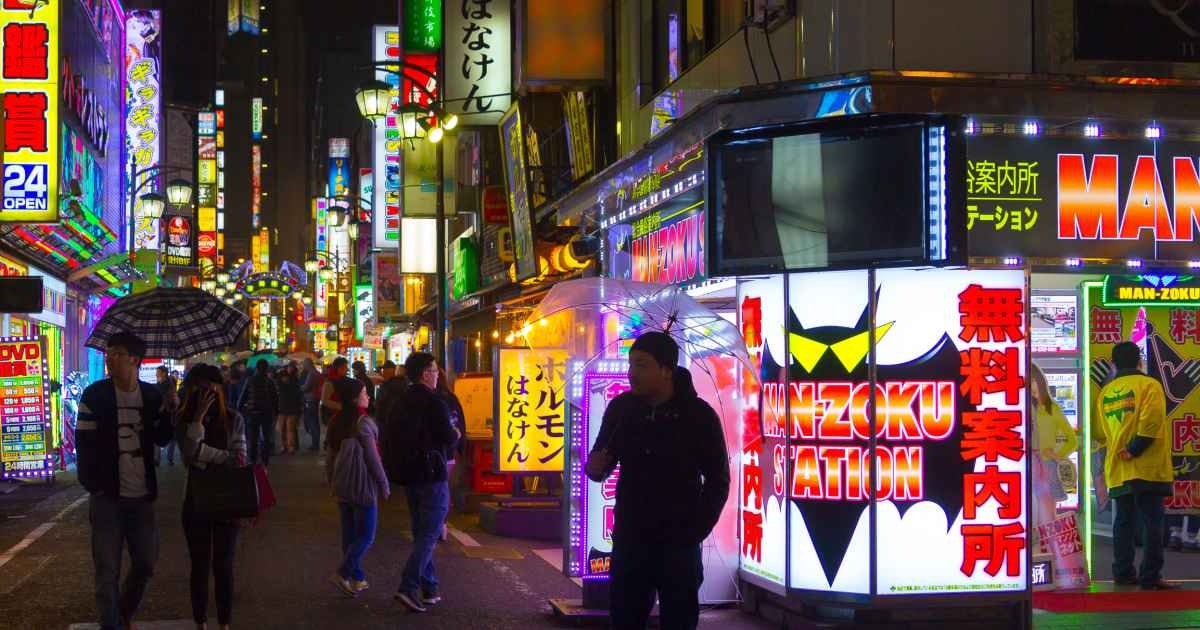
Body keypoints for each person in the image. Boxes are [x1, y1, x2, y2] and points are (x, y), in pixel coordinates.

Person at [585, 331, 730, 630]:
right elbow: (602, 462)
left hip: (679, 543)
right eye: (631, 364)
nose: (631, 373)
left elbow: (718, 481)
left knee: (679, 621)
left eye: (641, 365)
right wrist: (594, 467)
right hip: (630, 539)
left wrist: (695, 530)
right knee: (625, 620)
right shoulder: (622, 409)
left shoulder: (699, 416)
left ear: (666, 370)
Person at [76, 332, 172, 630]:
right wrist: (93, 485)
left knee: (146, 563)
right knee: (107, 571)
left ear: (134, 359)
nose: (110, 358)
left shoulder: (152, 396)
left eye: (117, 353)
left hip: (142, 497)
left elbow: (163, 438)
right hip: (107, 497)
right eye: (109, 353)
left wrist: (169, 410)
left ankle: (122, 614)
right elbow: (84, 443)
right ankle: (111, 624)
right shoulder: (95, 396)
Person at [1093, 341, 1177, 590]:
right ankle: (1150, 576)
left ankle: (1122, 573)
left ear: (1113, 364)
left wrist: (1121, 450)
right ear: (1140, 361)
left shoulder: (1106, 392)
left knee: (1123, 521)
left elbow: (1100, 432)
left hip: (1118, 468)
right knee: (1152, 522)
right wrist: (1134, 449)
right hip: (1147, 467)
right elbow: (1150, 423)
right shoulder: (1149, 385)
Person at [176, 364, 248, 630]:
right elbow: (188, 456)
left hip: (228, 501)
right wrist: (198, 420)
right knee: (199, 565)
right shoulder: (184, 419)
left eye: (209, 389)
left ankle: (224, 622)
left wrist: (203, 455)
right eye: (198, 390)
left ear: (219, 389)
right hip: (195, 502)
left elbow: (239, 459)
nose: (204, 395)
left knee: (224, 565)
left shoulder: (233, 419)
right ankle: (201, 621)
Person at [391, 352, 459, 613]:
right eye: (433, 370)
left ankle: (429, 586)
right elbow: (447, 436)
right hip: (432, 473)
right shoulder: (434, 401)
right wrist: (455, 433)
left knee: (422, 531)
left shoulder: (401, 401)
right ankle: (408, 586)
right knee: (430, 532)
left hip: (410, 474)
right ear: (424, 374)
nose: (437, 375)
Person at [325, 378, 390, 597]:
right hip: (362, 485)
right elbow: (373, 459)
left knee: (349, 535)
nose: (368, 396)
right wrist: (383, 483)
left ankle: (358, 578)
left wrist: (332, 481)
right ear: (355, 399)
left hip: (342, 484)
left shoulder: (336, 421)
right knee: (367, 535)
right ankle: (343, 573)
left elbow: (330, 456)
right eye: (364, 393)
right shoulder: (363, 423)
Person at [1030, 365, 1079, 547]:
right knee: (1031, 508)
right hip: (1026, 464)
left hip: (1046, 465)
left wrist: (1057, 455)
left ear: (1040, 381)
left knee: (1048, 512)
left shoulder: (1052, 408)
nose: (1031, 386)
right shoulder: (1023, 407)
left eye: (1033, 380)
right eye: (1027, 382)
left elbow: (1072, 440)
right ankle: (1041, 549)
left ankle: (1050, 550)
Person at [435, 367, 466, 542]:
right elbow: (459, 423)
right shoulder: (450, 399)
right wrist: (459, 444)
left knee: (433, 488)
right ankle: (442, 524)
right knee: (444, 487)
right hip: (448, 452)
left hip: (433, 452)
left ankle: (435, 524)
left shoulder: (431, 399)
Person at [237, 360, 279, 466]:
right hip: (267, 412)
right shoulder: (269, 381)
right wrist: (276, 412)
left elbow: (243, 396)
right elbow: (275, 398)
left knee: (253, 437)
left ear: (257, 368)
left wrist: (239, 409)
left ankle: (252, 460)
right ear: (266, 368)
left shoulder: (250, 380)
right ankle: (265, 460)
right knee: (266, 436)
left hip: (253, 412)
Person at [276, 363, 303, 455]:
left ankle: (289, 446)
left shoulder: (293, 382)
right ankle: (286, 446)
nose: (285, 378)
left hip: (289, 409)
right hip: (285, 408)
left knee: (289, 429)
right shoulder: (287, 384)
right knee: (284, 429)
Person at [156, 366, 180, 466]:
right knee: (158, 435)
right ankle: (158, 459)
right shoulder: (158, 384)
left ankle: (168, 458)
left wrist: (165, 405)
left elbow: (173, 399)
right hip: (160, 414)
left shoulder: (170, 385)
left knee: (171, 436)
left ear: (164, 373)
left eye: (158, 372)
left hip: (169, 414)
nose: (156, 374)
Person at [300, 359, 324, 452]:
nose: (303, 367)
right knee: (314, 421)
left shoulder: (311, 374)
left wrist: (299, 387)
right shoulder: (317, 373)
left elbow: (306, 387)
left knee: (311, 422)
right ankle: (315, 443)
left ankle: (315, 444)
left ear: (307, 364)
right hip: (315, 398)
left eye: (304, 365)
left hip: (310, 399)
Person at [375, 360, 408, 426]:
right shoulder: (387, 382)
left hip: (389, 420)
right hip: (383, 418)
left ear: (392, 370)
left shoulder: (396, 383)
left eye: (385, 369)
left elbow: (385, 400)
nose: (383, 371)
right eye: (383, 370)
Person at [321, 357, 351, 428]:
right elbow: (324, 400)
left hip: (339, 415)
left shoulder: (340, 379)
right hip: (333, 415)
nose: (347, 370)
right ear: (338, 368)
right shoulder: (330, 382)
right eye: (345, 367)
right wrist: (341, 406)